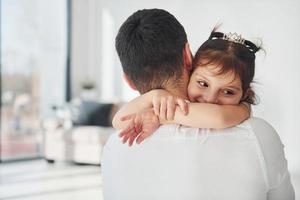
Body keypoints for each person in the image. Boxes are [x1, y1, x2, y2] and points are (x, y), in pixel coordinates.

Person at [101, 8, 295, 200]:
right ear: (188, 56)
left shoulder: (115, 146)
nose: (210, 99)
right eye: (203, 84)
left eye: (228, 91)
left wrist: (158, 111)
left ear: (129, 81)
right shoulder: (257, 135)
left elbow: (120, 121)